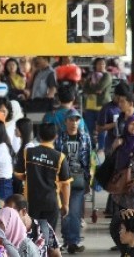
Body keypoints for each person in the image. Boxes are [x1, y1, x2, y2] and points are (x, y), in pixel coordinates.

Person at [14, 123, 71, 237]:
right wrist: (65, 204)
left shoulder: (28, 152)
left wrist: (29, 176)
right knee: (48, 235)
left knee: (31, 234)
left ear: (39, 135)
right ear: (56, 136)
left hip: (31, 201)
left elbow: (18, 174)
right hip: (51, 201)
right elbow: (66, 184)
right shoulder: (60, 157)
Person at [109, 116, 134, 254]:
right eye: (131, 124)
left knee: (133, 216)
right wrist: (115, 147)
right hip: (121, 185)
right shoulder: (120, 141)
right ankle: (124, 242)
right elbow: (111, 160)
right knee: (121, 214)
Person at [54, 109, 91, 254]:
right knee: (65, 210)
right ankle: (67, 240)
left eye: (77, 120)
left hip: (79, 179)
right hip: (62, 179)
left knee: (75, 211)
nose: (74, 123)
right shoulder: (59, 138)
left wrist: (88, 180)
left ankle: (73, 241)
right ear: (66, 122)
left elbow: (88, 159)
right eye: (71, 119)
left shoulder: (85, 137)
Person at [83, 57, 113, 146]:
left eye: (103, 64)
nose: (101, 66)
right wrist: (95, 90)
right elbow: (85, 89)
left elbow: (99, 87)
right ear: (95, 65)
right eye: (99, 64)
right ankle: (90, 148)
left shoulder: (107, 76)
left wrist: (92, 88)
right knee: (88, 129)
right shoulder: (90, 76)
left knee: (101, 129)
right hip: (89, 106)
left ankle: (101, 149)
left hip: (102, 106)